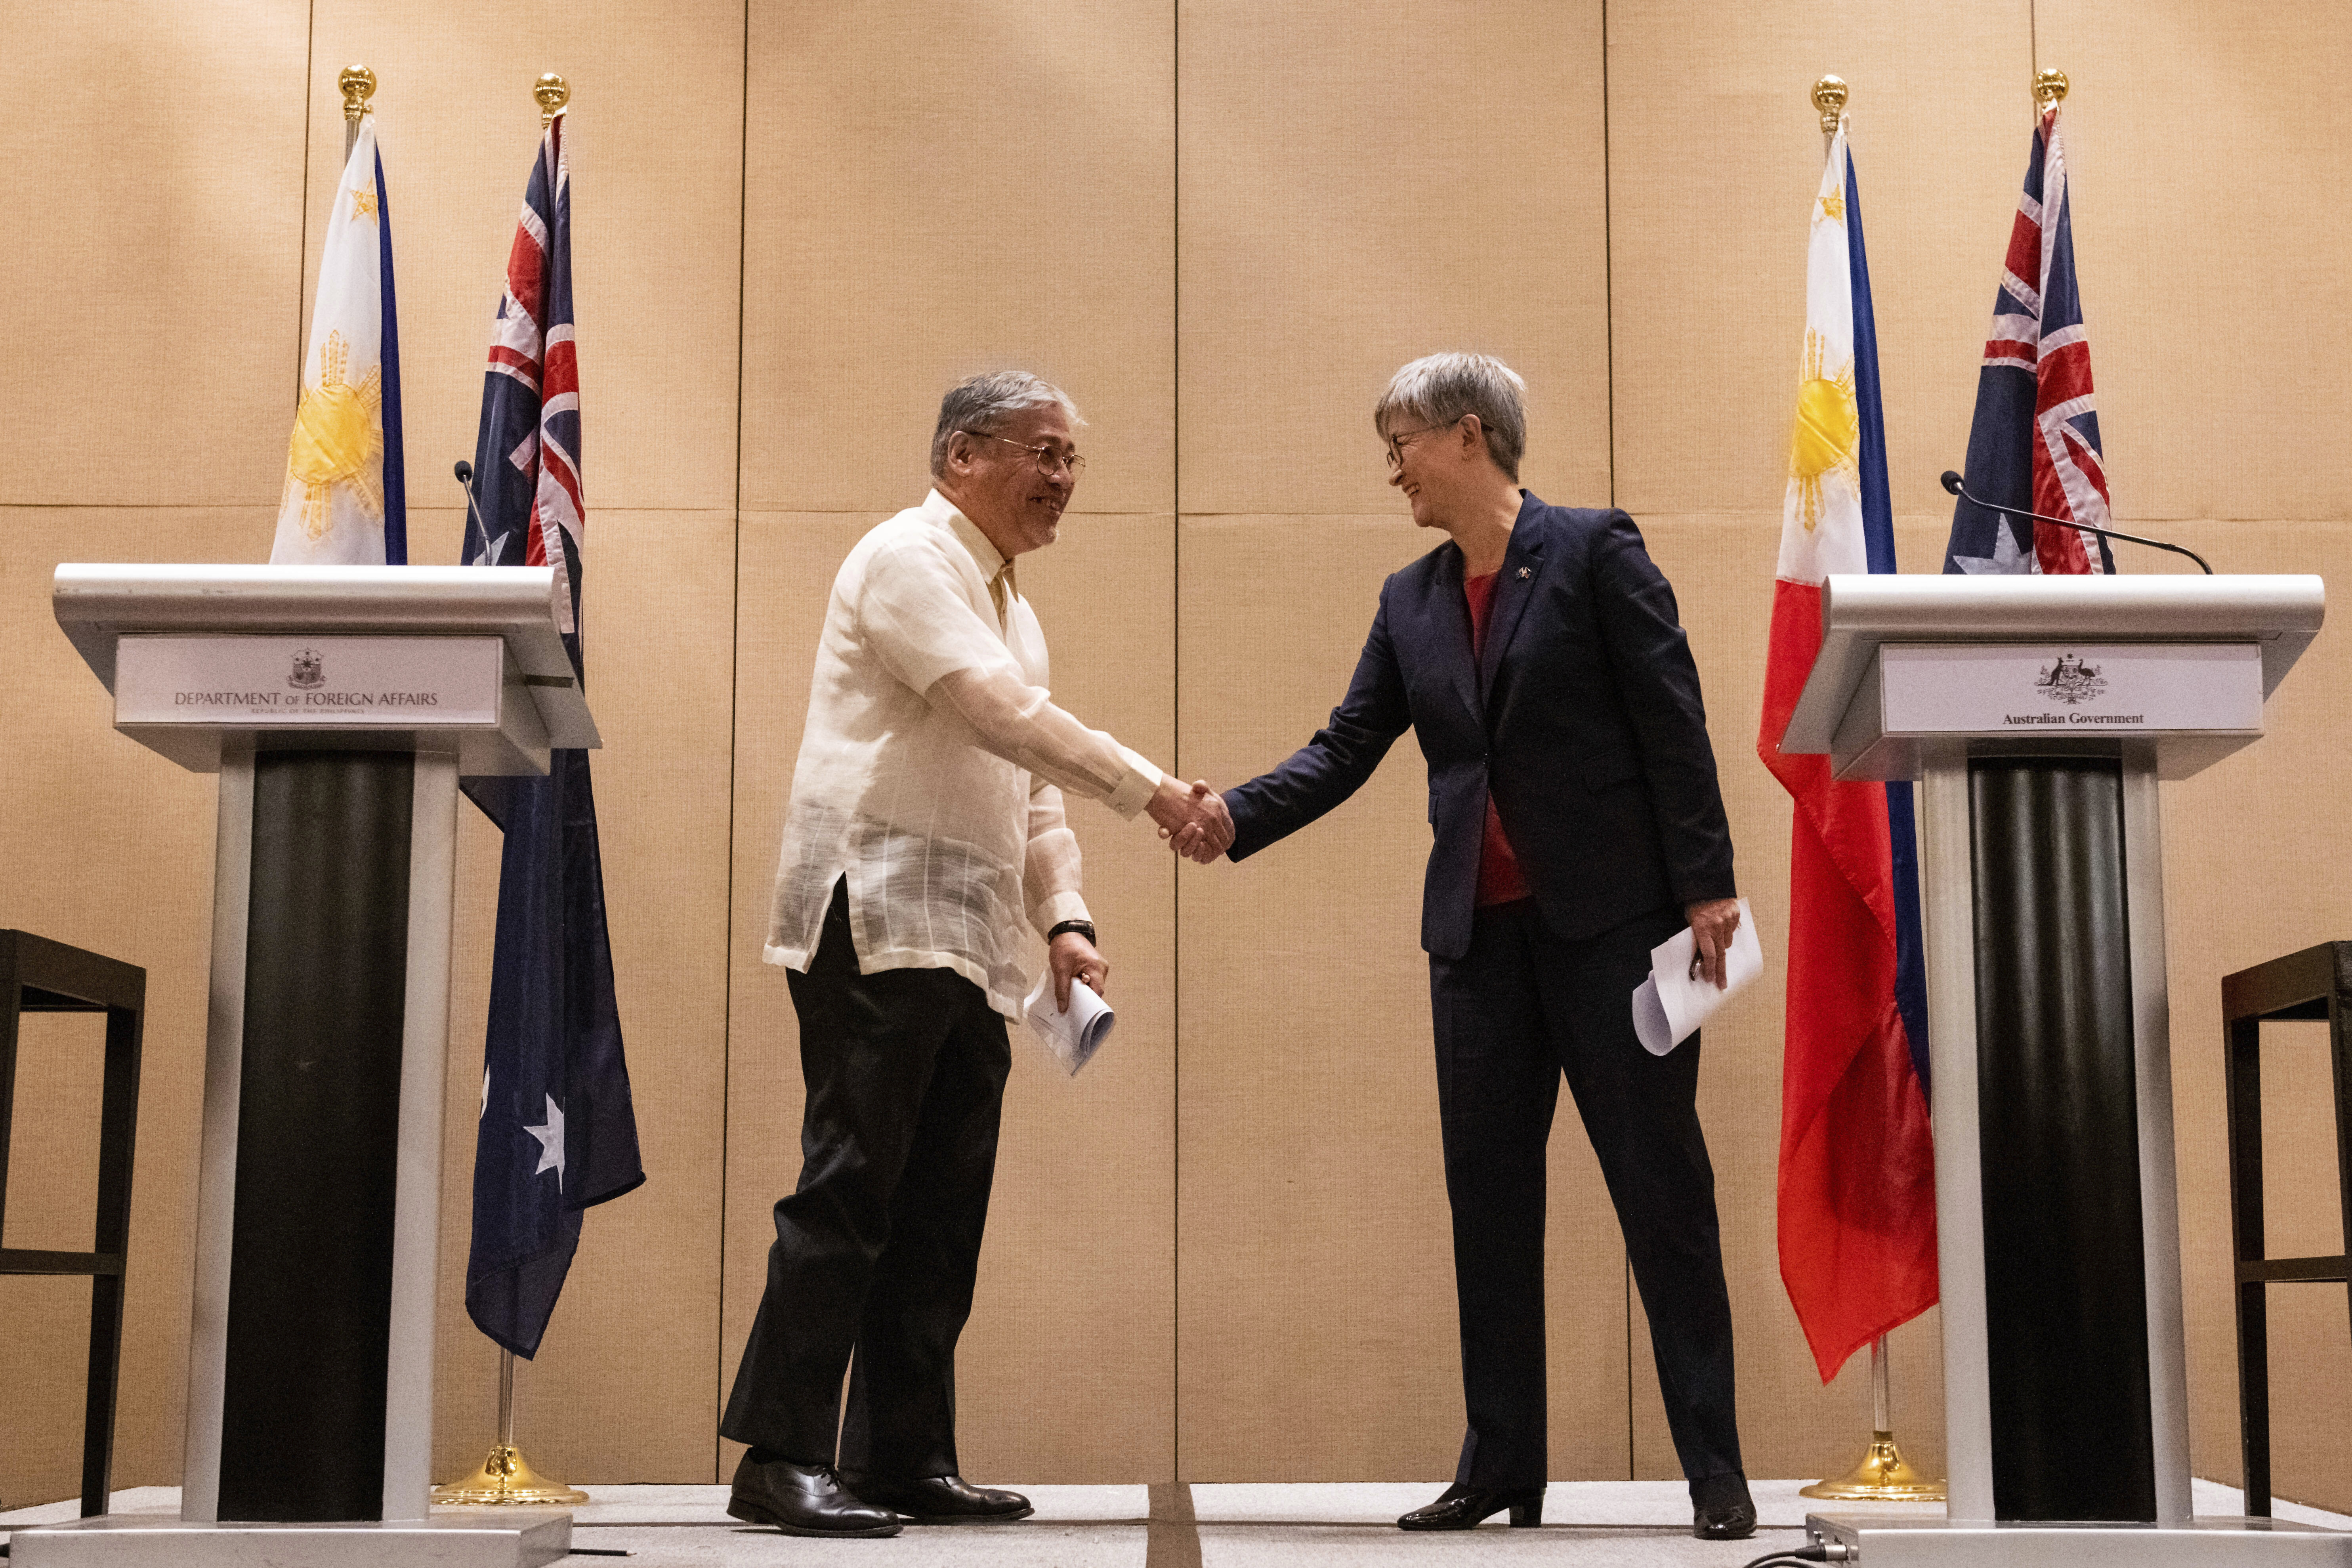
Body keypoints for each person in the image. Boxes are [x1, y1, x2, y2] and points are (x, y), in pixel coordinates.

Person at [1175, 352, 1754, 1541]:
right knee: (1488, 1202)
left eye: (1401, 443)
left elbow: (1672, 719)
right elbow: (1346, 748)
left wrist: (1708, 885)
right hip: (1477, 950)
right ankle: (1502, 1467)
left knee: (1663, 1196)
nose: (1391, 469)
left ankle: (1715, 1471)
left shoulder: (1596, 551)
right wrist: (1233, 814)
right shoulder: (1412, 600)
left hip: (1610, 934)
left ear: (1470, 437)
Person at [722, 371, 1231, 1538]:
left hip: (966, 937)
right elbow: (998, 715)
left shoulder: (1014, 605)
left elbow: (1030, 787)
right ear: (961, 454)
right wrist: (1155, 792)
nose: (1062, 480)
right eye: (1041, 452)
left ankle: (902, 1456)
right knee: (850, 1188)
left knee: (941, 1206)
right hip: (873, 913)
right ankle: (779, 1455)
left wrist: (1067, 919)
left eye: (1072, 460)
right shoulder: (908, 560)